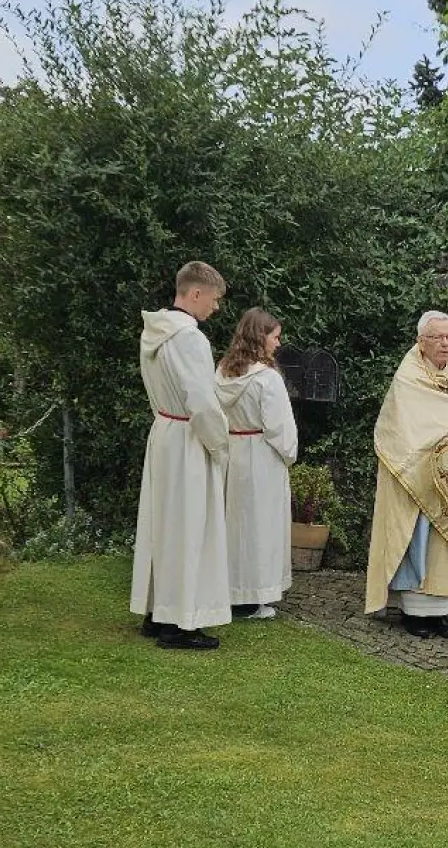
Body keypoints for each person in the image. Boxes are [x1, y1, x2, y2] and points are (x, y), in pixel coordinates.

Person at [365, 311, 448, 639]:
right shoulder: (409, 376)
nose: (444, 343)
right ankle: (414, 612)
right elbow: (404, 428)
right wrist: (438, 448)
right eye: (437, 337)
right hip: (417, 478)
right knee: (417, 541)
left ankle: (442, 612)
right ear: (421, 341)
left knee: (445, 546)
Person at [131, 261, 232, 650]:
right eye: (214, 299)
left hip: (165, 433)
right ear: (195, 294)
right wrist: (219, 446)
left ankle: (158, 612)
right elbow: (203, 403)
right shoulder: (190, 339)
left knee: (164, 526)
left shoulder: (155, 332)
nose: (216, 308)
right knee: (190, 528)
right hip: (189, 438)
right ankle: (180, 623)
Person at [215, 307, 298, 621]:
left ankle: (230, 589)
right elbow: (280, 428)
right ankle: (251, 597)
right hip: (261, 455)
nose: (278, 343)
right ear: (260, 337)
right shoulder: (267, 379)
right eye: (275, 337)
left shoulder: (223, 372)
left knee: (234, 524)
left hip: (232, 451)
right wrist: (289, 454)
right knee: (260, 527)